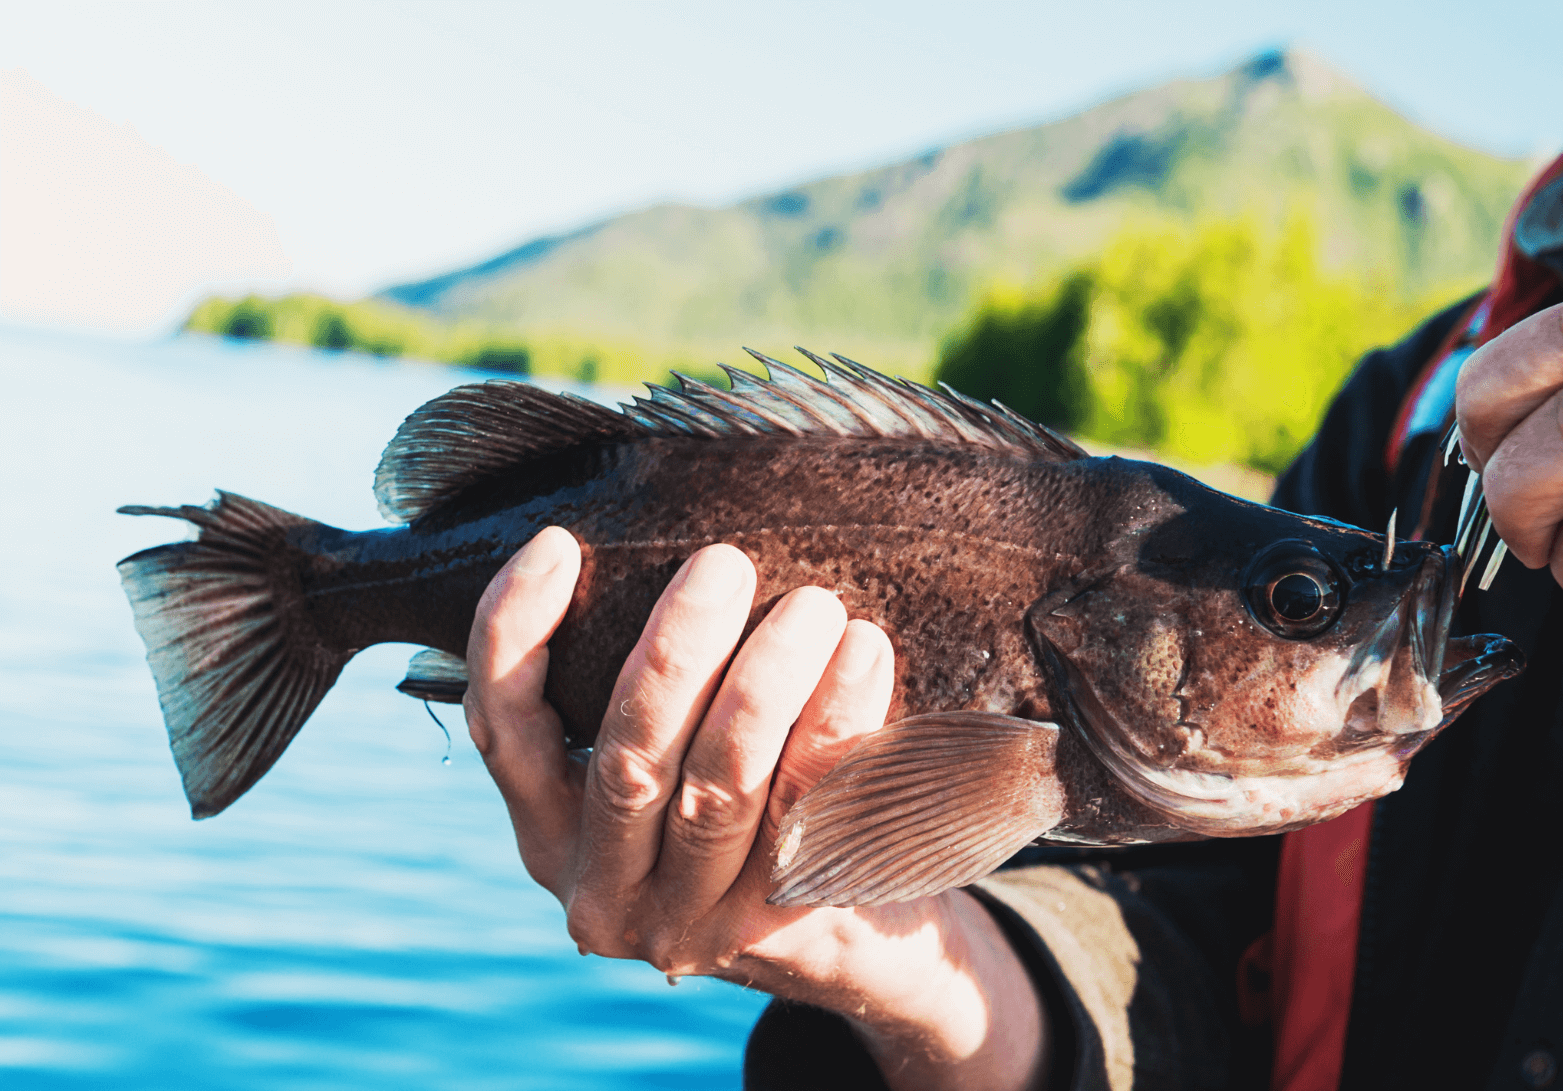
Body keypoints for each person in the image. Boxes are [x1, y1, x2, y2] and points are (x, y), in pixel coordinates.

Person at [461, 154, 1563, 1090]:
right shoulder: (1403, 414)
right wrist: (898, 961)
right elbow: (1178, 942)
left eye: (1297, 604)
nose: (1330, 618)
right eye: (1298, 605)